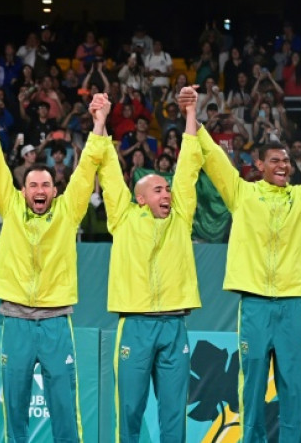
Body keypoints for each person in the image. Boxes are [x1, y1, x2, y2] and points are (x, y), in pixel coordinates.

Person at [192, 90, 301, 443]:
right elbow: (215, 160)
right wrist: (194, 120)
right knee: (252, 388)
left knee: (294, 388)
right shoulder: (242, 195)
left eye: (286, 161)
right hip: (255, 306)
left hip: (294, 305)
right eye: (275, 160)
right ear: (258, 166)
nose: (283, 166)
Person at [0, 91, 109, 443]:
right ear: (22, 191)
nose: (39, 189)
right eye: (33, 185)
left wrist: (99, 124)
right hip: (15, 320)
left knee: (64, 409)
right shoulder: (10, 209)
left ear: (55, 191)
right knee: (15, 408)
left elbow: (86, 171)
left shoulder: (68, 214)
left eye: (45, 185)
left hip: (56, 321)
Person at [98, 88, 202, 443]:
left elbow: (187, 168)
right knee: (129, 411)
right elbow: (109, 172)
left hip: (175, 325)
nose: (167, 193)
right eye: (158, 189)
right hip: (135, 326)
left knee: (174, 413)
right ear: (140, 198)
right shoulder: (123, 219)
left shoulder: (181, 217)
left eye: (168, 190)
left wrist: (191, 114)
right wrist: (101, 122)